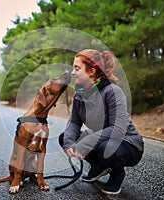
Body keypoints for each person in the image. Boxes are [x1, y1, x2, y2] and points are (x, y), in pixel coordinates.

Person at [59, 49, 144, 195]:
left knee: (107, 147)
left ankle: (117, 174)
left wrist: (86, 143)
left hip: (127, 143)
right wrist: (69, 141)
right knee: (64, 137)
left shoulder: (112, 91)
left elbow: (118, 130)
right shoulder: (80, 93)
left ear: (91, 71)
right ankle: (99, 166)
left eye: (77, 68)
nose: (73, 72)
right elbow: (74, 121)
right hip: (101, 138)